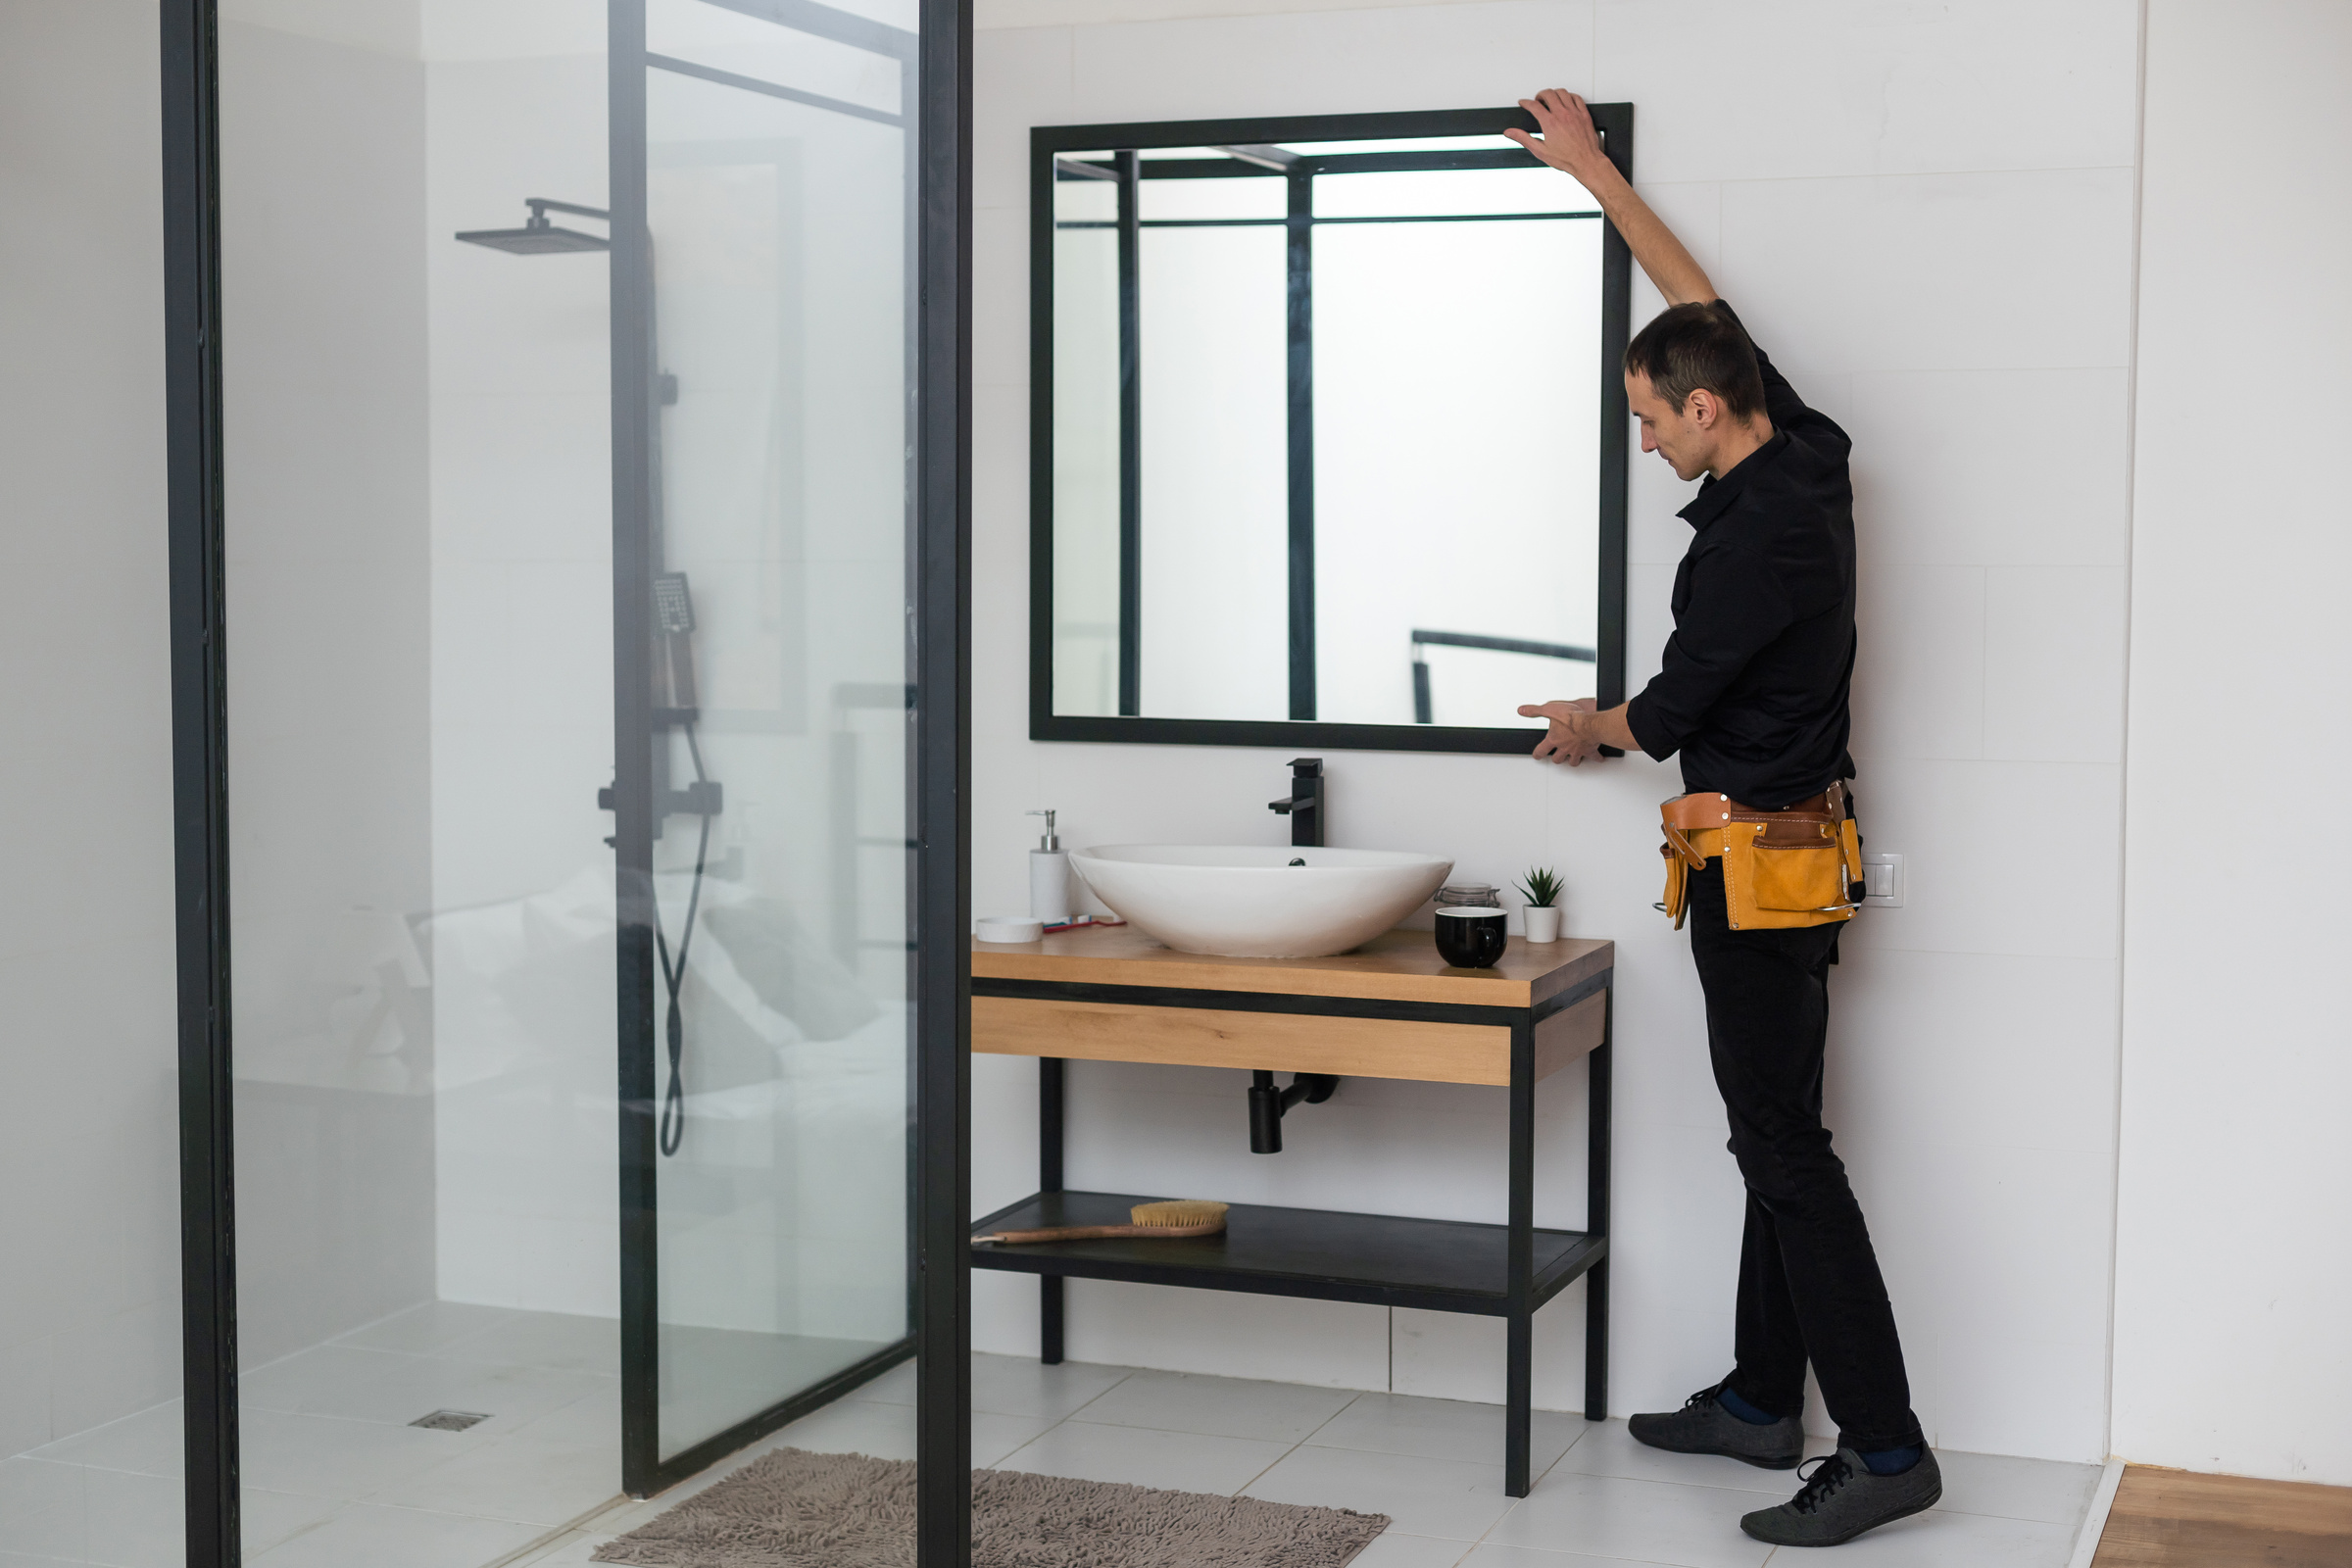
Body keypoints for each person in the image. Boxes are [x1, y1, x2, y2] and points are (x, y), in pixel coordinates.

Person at [1504, 89, 1938, 1549]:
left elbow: (1664, 717)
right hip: (1792, 856)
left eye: (1647, 421)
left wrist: (1586, 723)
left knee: (1785, 1153)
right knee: (1775, 1135)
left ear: (1704, 410)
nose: (1643, 445)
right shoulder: (1800, 448)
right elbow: (1702, 304)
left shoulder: (1758, 544)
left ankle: (1882, 1448)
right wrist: (1594, 175)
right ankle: (1763, 1403)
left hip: (1759, 874)